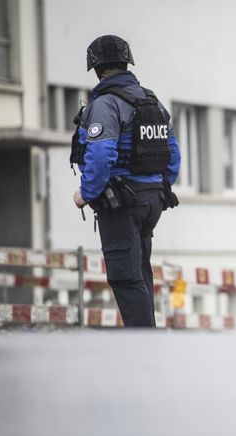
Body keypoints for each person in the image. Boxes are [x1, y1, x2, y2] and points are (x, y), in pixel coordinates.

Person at [72, 34, 180, 327]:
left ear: (95, 69)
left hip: (121, 203)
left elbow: (100, 154)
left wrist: (86, 192)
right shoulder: (151, 101)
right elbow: (173, 154)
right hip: (152, 199)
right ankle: (148, 336)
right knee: (140, 272)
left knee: (125, 276)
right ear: (126, 62)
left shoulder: (106, 104)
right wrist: (158, 186)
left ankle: (143, 346)